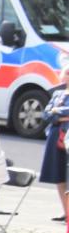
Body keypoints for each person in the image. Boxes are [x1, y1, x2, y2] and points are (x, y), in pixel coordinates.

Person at [38, 80, 69, 224]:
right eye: (66, 73)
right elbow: (46, 115)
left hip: (67, 136)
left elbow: (54, 113)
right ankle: (66, 212)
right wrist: (61, 115)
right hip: (55, 136)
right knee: (58, 176)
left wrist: (57, 111)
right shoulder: (57, 93)